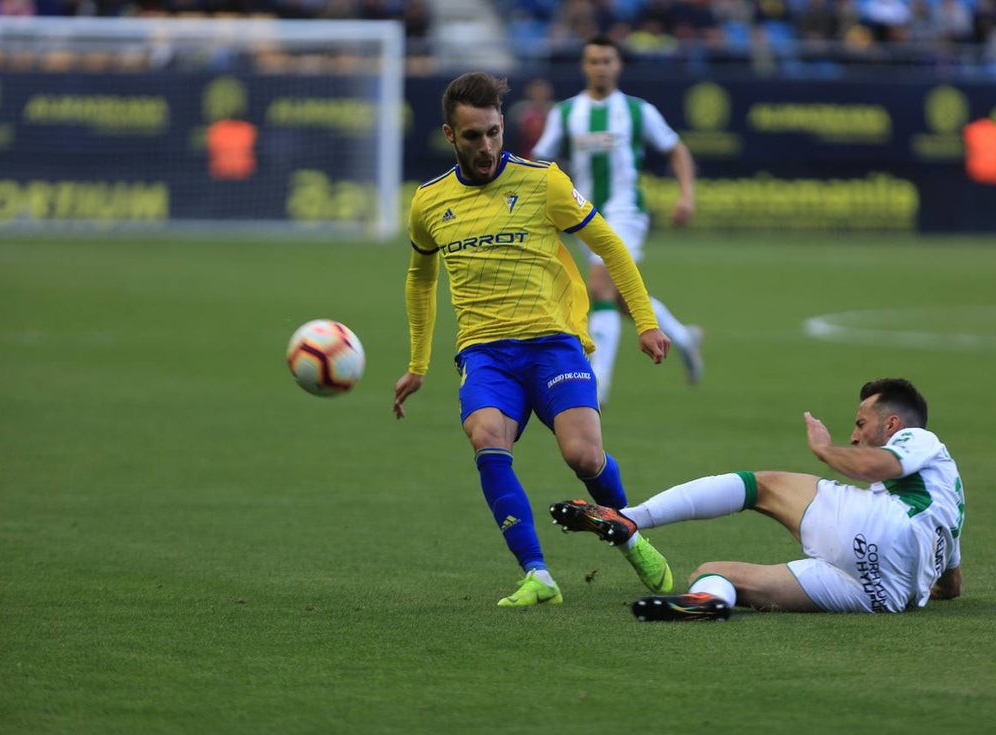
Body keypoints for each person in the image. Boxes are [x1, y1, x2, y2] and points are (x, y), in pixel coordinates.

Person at [393, 72, 674, 607]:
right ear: (450, 136)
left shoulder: (543, 181)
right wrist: (417, 363)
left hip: (552, 344)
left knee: (584, 457)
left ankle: (631, 535)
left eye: (494, 132)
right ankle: (537, 575)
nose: (486, 146)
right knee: (486, 438)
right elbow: (419, 278)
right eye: (473, 135)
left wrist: (645, 321)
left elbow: (611, 247)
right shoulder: (428, 203)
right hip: (485, 353)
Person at [550, 378, 965, 620]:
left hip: (881, 530)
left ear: (892, 423)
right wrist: (925, 586)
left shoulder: (919, 438)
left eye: (860, 423)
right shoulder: (949, 502)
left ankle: (629, 518)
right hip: (882, 595)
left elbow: (878, 466)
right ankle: (710, 601)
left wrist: (825, 451)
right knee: (713, 572)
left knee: (761, 486)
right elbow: (952, 583)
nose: (854, 435)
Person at [530, 34, 703, 409]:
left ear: (618, 65)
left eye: (607, 60)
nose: (601, 67)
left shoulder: (638, 111)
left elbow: (676, 149)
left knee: (601, 288)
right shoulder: (566, 113)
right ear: (584, 66)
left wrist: (686, 194)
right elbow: (540, 161)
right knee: (624, 298)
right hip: (584, 213)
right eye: (594, 61)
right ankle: (684, 339)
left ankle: (598, 384)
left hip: (627, 212)